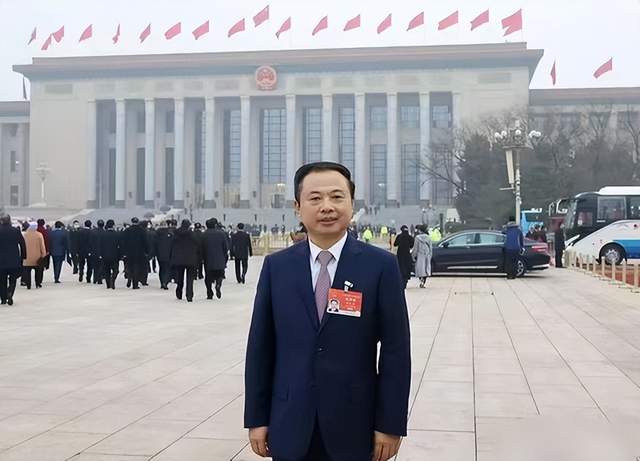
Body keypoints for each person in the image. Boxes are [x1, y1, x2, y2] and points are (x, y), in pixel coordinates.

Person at [244, 162, 411, 461]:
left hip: (355, 423)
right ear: (298, 207)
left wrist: (390, 424)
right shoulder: (277, 267)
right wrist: (256, 418)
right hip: (290, 420)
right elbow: (260, 347)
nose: (327, 207)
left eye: (336, 197)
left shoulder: (380, 266)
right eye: (315, 198)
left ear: (351, 203)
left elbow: (396, 351)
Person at [170, 219, 200, 302]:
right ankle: (189, 295)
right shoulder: (192, 234)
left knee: (180, 277)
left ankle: (179, 292)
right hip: (190, 258)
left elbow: (172, 245)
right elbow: (197, 244)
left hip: (179, 259)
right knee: (190, 278)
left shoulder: (176, 233)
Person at [0, 213, 26, 305]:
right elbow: (22, 244)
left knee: (2, 281)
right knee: (13, 279)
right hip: (14, 260)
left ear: (1, 221)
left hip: (1, 261)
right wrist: (23, 257)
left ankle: (3, 298)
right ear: (10, 220)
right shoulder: (16, 231)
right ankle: (10, 292)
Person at [202, 218, 229, 300]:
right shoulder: (221, 234)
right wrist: (224, 256)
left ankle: (209, 293)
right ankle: (218, 284)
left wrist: (202, 257)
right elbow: (225, 247)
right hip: (219, 258)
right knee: (220, 275)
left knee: (208, 277)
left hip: (208, 258)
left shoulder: (204, 234)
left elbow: (201, 247)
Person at [121, 217, 149, 289]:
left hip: (129, 252)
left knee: (129, 266)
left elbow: (123, 242)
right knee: (137, 267)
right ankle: (135, 284)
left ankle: (129, 278)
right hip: (139, 252)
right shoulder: (142, 230)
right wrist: (146, 251)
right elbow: (145, 242)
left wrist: (124, 252)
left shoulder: (127, 230)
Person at [22, 223, 47, 289]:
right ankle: (37, 284)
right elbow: (42, 246)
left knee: (27, 272)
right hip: (37, 257)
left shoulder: (25, 235)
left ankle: (28, 285)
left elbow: (22, 246)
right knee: (38, 272)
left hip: (27, 258)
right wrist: (43, 254)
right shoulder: (39, 235)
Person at [100, 219, 121, 289]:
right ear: (113, 225)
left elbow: (100, 245)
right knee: (116, 270)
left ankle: (108, 284)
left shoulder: (103, 234)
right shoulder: (117, 234)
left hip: (105, 255)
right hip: (115, 255)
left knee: (106, 270)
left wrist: (101, 254)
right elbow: (120, 245)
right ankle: (113, 279)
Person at [155, 219, 175, 290]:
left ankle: (162, 282)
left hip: (159, 254)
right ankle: (165, 282)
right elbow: (173, 245)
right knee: (167, 269)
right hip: (168, 253)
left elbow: (154, 244)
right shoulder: (170, 234)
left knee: (161, 268)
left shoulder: (156, 233)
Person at [393, 225, 414, 289]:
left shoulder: (399, 236)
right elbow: (411, 245)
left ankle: (401, 281)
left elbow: (395, 244)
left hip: (400, 254)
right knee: (407, 267)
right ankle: (406, 281)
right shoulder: (410, 237)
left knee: (401, 268)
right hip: (407, 254)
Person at [35, 218, 50, 288]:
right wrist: (47, 250)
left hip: (35, 250)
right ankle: (39, 280)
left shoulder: (35, 230)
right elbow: (47, 241)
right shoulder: (45, 231)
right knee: (40, 267)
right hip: (42, 250)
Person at [90, 219, 106, 284]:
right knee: (101, 266)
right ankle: (99, 279)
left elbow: (90, 242)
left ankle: (95, 278)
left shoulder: (93, 232)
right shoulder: (105, 232)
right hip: (102, 252)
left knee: (95, 266)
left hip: (94, 251)